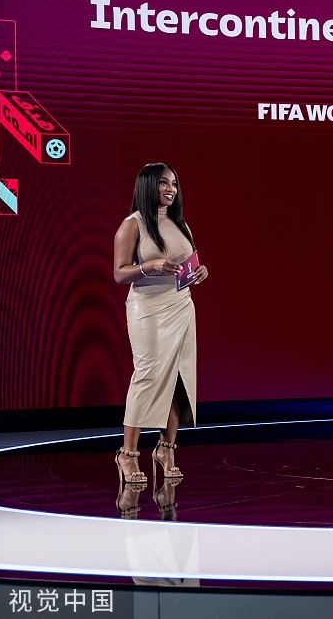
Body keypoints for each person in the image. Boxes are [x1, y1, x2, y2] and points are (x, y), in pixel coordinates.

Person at [112, 163, 208, 487]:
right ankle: (127, 454)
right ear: (148, 186)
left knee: (178, 377)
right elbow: (119, 273)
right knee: (148, 376)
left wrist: (200, 271)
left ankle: (166, 449)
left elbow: (188, 261)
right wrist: (149, 266)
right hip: (148, 307)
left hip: (181, 305)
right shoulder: (132, 224)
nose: (171, 189)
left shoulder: (180, 223)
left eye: (174, 184)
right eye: (164, 183)